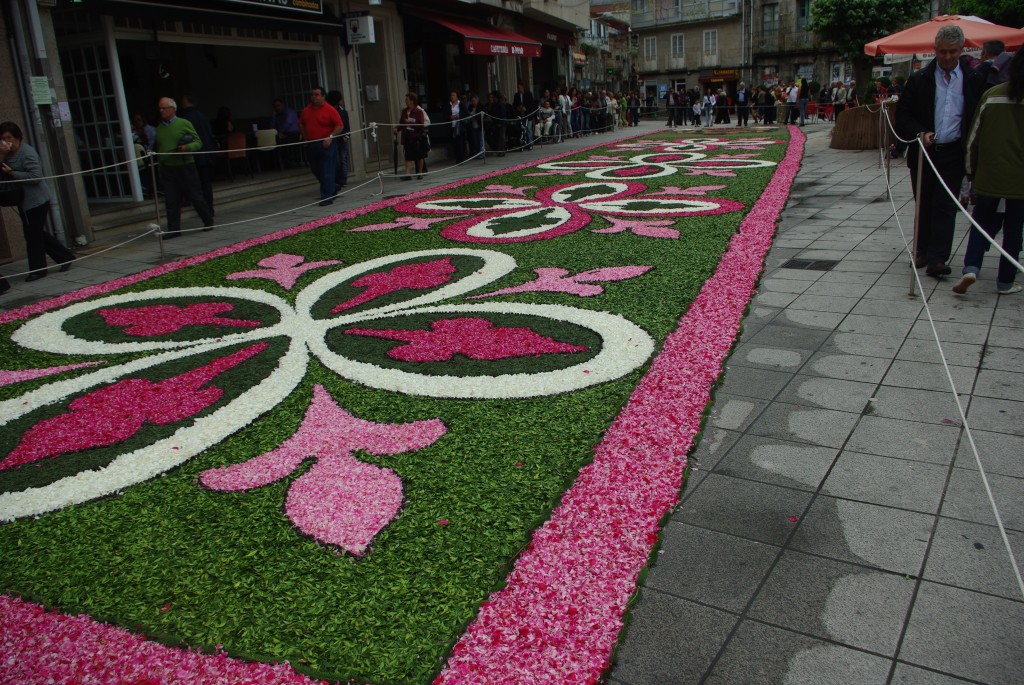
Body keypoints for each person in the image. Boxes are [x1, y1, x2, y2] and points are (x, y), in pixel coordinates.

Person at [896, 25, 987, 277]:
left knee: (946, 204)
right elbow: (903, 115)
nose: (947, 57)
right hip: (925, 152)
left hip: (954, 152)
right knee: (923, 201)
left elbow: (976, 117)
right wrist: (921, 132)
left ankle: (938, 257)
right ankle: (922, 250)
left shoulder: (972, 79)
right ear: (935, 50)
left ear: (961, 50)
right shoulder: (919, 79)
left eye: (953, 52)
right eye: (943, 52)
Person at [953, 50, 1024, 295]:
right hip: (1019, 179)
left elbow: (973, 138)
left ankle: (971, 267)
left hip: (988, 173)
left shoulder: (992, 96)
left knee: (980, 221)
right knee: (1014, 229)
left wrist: (970, 172)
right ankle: (1005, 280)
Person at [0, 121, 74, 280]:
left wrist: (13, 173)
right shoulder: (7, 153)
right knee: (35, 232)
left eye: (9, 137)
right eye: (3, 138)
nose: (7, 141)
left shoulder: (27, 153)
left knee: (33, 234)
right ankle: (65, 256)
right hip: (23, 200)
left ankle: (38, 269)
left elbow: (36, 176)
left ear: (18, 137)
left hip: (36, 199)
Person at [153, 98, 214, 239]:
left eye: (164, 108)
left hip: (185, 166)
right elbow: (159, 147)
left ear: (172, 109)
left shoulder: (184, 123)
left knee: (195, 195)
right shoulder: (160, 129)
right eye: (160, 108)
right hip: (168, 168)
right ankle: (174, 228)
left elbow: (198, 142)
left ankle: (207, 220)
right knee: (171, 199)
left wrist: (187, 147)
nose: (161, 111)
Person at [299, 85, 344, 206]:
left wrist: (330, 137)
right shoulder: (306, 111)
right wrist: (305, 137)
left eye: (317, 94)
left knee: (326, 169)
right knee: (315, 169)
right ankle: (331, 187)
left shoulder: (330, 110)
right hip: (312, 143)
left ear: (323, 96)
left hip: (327, 143)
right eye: (312, 94)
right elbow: (302, 124)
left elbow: (339, 125)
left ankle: (326, 197)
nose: (314, 97)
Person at [178, 94, 216, 216]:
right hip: (206, 154)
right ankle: (209, 209)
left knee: (197, 186)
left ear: (185, 102)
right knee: (206, 185)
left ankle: (204, 211)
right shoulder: (202, 115)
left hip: (194, 156)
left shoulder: (185, 118)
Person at [395, 92, 426, 180]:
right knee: (407, 156)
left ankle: (420, 173)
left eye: (407, 99)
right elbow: (401, 123)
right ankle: (407, 174)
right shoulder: (404, 111)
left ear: (412, 101)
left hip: (416, 136)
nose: (405, 101)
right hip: (407, 136)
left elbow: (421, 125)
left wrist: (411, 123)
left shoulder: (419, 111)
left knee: (419, 155)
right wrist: (397, 129)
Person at [325, 90, 350, 189]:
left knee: (343, 159)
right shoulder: (329, 110)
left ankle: (342, 180)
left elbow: (346, 126)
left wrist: (346, 136)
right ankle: (335, 180)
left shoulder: (343, 111)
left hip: (342, 138)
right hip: (332, 138)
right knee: (335, 160)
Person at [270, 97, 300, 166]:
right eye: (275, 106)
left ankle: (287, 161)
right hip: (281, 133)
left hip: (293, 134)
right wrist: (273, 117)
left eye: (278, 105)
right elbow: (272, 127)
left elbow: (288, 122)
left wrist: (280, 132)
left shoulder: (289, 112)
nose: (277, 108)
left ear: (283, 104)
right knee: (274, 141)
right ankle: (279, 162)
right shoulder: (277, 115)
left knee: (281, 142)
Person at [448, 90, 466, 163]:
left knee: (460, 142)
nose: (452, 97)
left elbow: (465, 114)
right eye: (451, 95)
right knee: (454, 143)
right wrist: (450, 117)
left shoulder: (460, 104)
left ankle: (460, 159)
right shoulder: (448, 104)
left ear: (457, 96)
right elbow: (445, 115)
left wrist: (458, 116)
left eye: (454, 95)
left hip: (459, 126)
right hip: (451, 126)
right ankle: (457, 157)